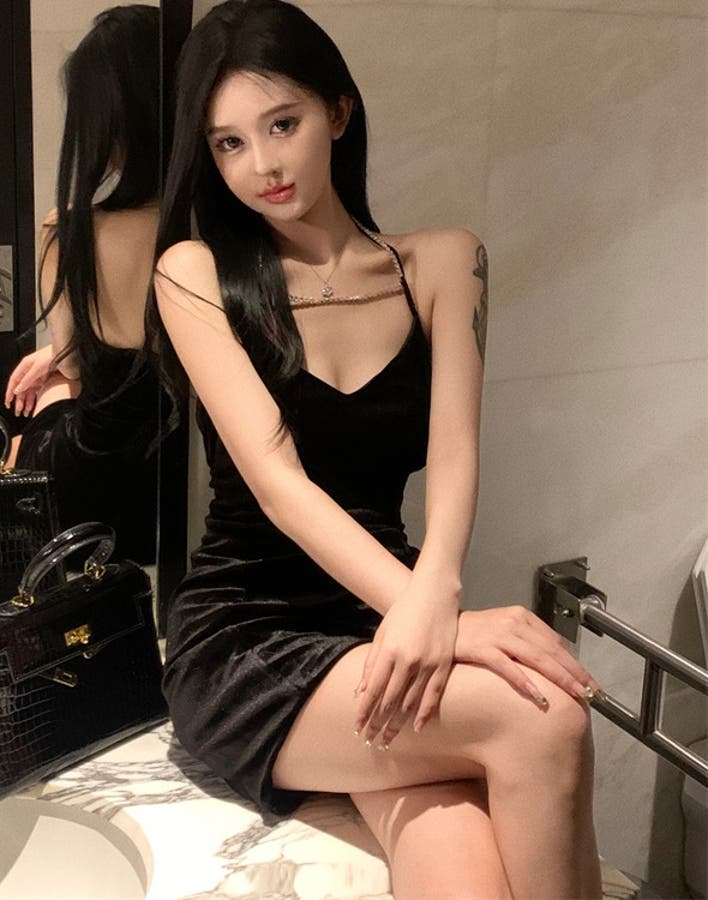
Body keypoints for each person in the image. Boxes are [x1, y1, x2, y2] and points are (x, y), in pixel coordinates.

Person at [149, 1, 602, 897]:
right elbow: (277, 485)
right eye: (230, 142)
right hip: (250, 640)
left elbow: (457, 452)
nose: (263, 164)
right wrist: (441, 620)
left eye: (283, 123)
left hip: (386, 620)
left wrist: (436, 596)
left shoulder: (444, 262)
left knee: (465, 865)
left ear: (339, 112)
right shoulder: (194, 273)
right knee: (544, 715)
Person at [4, 5, 162, 564]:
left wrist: (56, 355)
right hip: (180, 488)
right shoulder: (228, 230)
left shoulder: (68, 230)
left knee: (37, 418)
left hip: (94, 481)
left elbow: (75, 364)